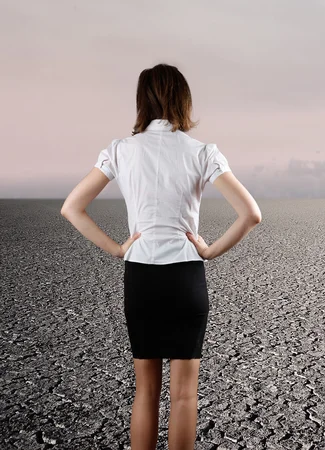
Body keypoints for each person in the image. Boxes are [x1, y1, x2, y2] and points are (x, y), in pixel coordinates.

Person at [60, 63, 262, 450]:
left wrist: (118, 248)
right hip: (186, 275)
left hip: (141, 276)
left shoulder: (120, 150)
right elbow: (251, 214)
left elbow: (72, 207)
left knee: (145, 392)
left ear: (142, 100)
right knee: (184, 395)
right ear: (183, 98)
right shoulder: (203, 152)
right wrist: (210, 250)